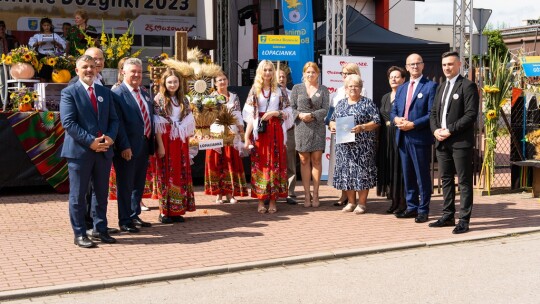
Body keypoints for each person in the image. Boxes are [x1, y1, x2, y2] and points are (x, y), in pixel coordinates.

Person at [60, 55, 119, 248]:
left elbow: (114, 120)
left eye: (92, 67)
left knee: (101, 193)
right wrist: (91, 142)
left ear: (97, 70)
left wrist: (110, 138)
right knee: (78, 195)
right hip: (79, 153)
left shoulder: (104, 92)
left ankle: (100, 229)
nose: (89, 70)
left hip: (103, 151)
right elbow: (68, 123)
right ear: (77, 71)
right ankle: (79, 234)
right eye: (84, 67)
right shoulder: (69, 92)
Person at [429, 51, 479, 234]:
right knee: (446, 179)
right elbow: (433, 112)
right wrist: (435, 130)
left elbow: (471, 115)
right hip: (441, 141)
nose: (446, 68)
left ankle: (464, 220)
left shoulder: (468, 86)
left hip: (459, 142)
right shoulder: (441, 87)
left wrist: (449, 130)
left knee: (464, 182)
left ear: (459, 65)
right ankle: (448, 215)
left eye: (450, 64)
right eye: (444, 65)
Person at [390, 53, 437, 223]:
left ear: (423, 66)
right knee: (408, 175)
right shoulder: (402, 88)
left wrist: (413, 124)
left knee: (422, 176)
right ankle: (412, 207)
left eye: (418, 63)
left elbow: (432, 114)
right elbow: (394, 110)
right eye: (411, 64)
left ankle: (423, 209)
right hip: (402, 136)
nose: (415, 67)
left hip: (419, 137)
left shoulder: (431, 86)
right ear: (407, 67)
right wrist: (396, 119)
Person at [243, 60, 293, 214]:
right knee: (260, 164)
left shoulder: (280, 90)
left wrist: (275, 113)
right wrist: (246, 137)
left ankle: (273, 200)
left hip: (275, 129)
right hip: (260, 131)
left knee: (275, 164)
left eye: (270, 70)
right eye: (265, 70)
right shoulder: (254, 90)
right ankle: (260, 200)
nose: (268, 73)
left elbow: (288, 111)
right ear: (260, 72)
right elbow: (250, 115)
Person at [112, 58, 155, 232]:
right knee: (126, 185)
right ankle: (124, 220)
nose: (137, 75)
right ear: (123, 72)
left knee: (138, 184)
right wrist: (124, 146)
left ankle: (134, 214)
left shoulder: (144, 92)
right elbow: (118, 123)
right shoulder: (117, 94)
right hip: (127, 148)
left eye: (139, 72)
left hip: (144, 145)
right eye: (133, 72)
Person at [329, 74, 380, 214]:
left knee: (362, 174)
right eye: (350, 86)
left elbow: (376, 121)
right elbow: (332, 120)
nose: (353, 89)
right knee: (347, 174)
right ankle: (351, 202)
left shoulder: (368, 103)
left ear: (361, 88)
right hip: (344, 147)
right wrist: (332, 126)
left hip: (362, 147)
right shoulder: (341, 103)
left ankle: (362, 203)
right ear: (345, 88)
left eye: (356, 86)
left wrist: (362, 127)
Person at [153, 68, 196, 223]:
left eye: (175, 81)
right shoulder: (159, 99)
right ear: (164, 83)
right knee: (166, 174)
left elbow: (189, 122)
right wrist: (160, 146)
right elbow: (157, 126)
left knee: (180, 173)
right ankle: (164, 211)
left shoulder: (184, 99)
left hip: (180, 141)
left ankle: (177, 210)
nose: (172, 84)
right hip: (166, 139)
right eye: (169, 82)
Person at [205, 72, 248, 204]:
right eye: (219, 80)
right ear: (215, 83)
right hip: (215, 134)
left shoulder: (234, 97)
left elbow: (238, 115)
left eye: (224, 79)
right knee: (216, 163)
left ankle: (231, 193)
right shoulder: (210, 97)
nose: (222, 82)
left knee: (231, 163)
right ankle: (218, 194)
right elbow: (206, 117)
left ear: (228, 81)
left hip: (231, 134)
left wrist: (242, 133)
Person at [290, 62, 329, 207]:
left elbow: (325, 109)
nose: (310, 74)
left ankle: (316, 193)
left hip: (317, 126)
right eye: (308, 72)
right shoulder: (296, 88)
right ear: (304, 73)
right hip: (301, 127)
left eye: (313, 72)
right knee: (304, 160)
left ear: (318, 74)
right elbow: (291, 108)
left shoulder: (324, 89)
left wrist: (311, 115)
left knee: (317, 159)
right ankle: (307, 195)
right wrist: (300, 115)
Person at [325, 63, 362, 207]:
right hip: (339, 131)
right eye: (343, 73)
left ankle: (357, 198)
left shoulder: (362, 89)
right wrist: (331, 124)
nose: (345, 76)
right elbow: (330, 114)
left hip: (354, 132)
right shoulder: (339, 91)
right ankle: (344, 194)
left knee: (354, 165)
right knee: (341, 165)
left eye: (348, 73)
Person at [377, 66, 407, 214]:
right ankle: (394, 201)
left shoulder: (406, 96)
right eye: (391, 77)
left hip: (399, 135)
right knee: (390, 168)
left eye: (397, 77)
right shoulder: (385, 97)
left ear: (403, 79)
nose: (394, 79)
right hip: (386, 137)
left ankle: (403, 201)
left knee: (400, 169)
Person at [278, 65, 297, 205]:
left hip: (290, 131)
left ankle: (289, 191)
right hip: (274, 131)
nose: (281, 79)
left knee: (290, 161)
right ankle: (274, 190)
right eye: (279, 76)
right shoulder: (271, 94)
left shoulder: (292, 94)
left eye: (283, 77)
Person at [29, 17, 66, 82]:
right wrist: (38, 43)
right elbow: (30, 43)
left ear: (51, 25)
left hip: (52, 57)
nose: (46, 27)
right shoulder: (38, 35)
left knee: (53, 76)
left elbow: (64, 45)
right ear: (42, 26)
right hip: (42, 57)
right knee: (42, 76)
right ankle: (43, 91)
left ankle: (51, 91)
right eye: (44, 25)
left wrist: (56, 43)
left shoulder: (55, 35)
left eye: (48, 25)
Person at [0, 20, 19, 106]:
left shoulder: (11, 38)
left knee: (15, 82)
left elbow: (18, 49)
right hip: (1, 65)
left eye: (3, 27)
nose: (1, 29)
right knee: (3, 84)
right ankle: (4, 103)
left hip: (12, 64)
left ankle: (16, 102)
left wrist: (15, 53)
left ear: (5, 28)